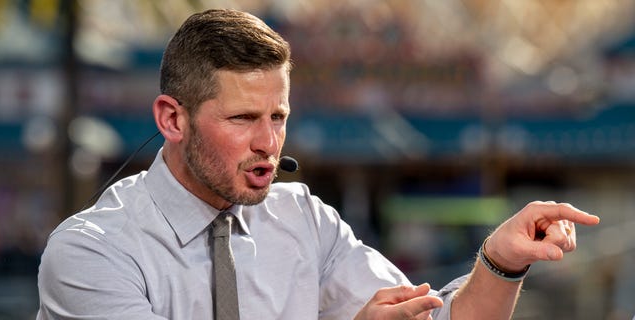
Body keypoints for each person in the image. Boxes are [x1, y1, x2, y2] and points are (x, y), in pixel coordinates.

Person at [36, 8, 600, 320]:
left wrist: (499, 263)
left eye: (278, 116)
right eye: (241, 119)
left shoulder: (304, 219)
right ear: (172, 119)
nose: (267, 142)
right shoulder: (91, 251)